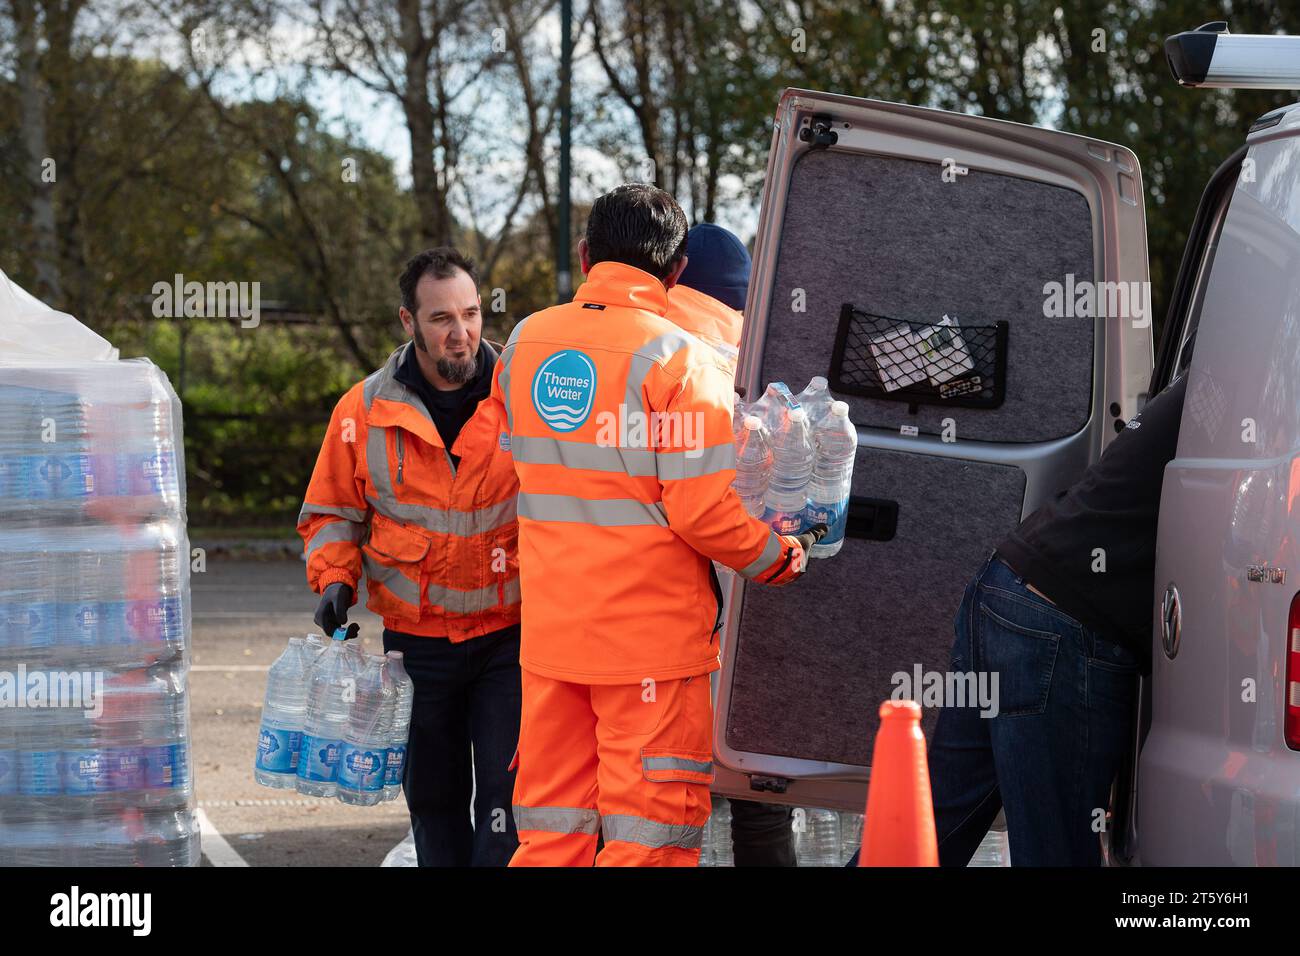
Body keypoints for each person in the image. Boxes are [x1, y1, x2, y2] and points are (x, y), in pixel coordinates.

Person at [491, 183, 824, 866]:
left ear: (586, 255)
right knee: (648, 839)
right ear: (674, 274)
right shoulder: (681, 360)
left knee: (551, 831)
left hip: (552, 641)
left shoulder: (525, 341)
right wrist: (779, 555)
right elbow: (702, 512)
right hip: (649, 650)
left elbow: (506, 476)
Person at [297, 247, 522, 866]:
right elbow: (330, 512)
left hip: (511, 639)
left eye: (472, 314)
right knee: (432, 798)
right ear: (408, 321)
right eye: (442, 319)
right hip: (417, 644)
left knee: (509, 805)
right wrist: (335, 578)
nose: (462, 333)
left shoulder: (523, 399)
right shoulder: (363, 411)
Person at [925, 363, 1190, 866]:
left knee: (925, 838)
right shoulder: (1243, 386)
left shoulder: (1207, 374)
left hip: (1007, 588)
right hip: (1059, 626)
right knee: (1057, 855)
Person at [667, 222, 798, 867]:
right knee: (761, 791)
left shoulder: (650, 356)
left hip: (655, 619)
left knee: (655, 804)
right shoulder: (766, 375)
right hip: (752, 611)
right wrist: (780, 559)